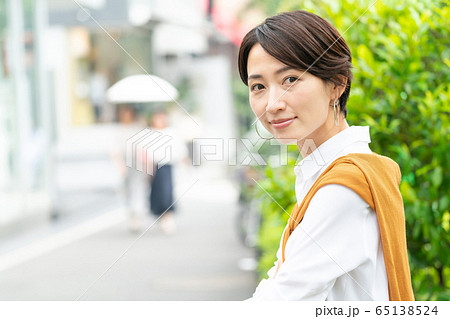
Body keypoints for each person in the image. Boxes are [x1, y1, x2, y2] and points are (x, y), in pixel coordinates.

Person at [238, 10, 414, 301]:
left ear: (336, 84)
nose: (272, 104)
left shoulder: (344, 187)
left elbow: (281, 302)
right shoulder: (330, 171)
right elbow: (281, 277)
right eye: (258, 86)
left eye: (290, 79)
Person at [147, 110, 188, 235]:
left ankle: (167, 216)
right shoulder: (150, 133)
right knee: (156, 193)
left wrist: (185, 163)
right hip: (154, 166)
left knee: (167, 192)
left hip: (168, 166)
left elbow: (180, 150)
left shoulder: (172, 132)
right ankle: (161, 215)